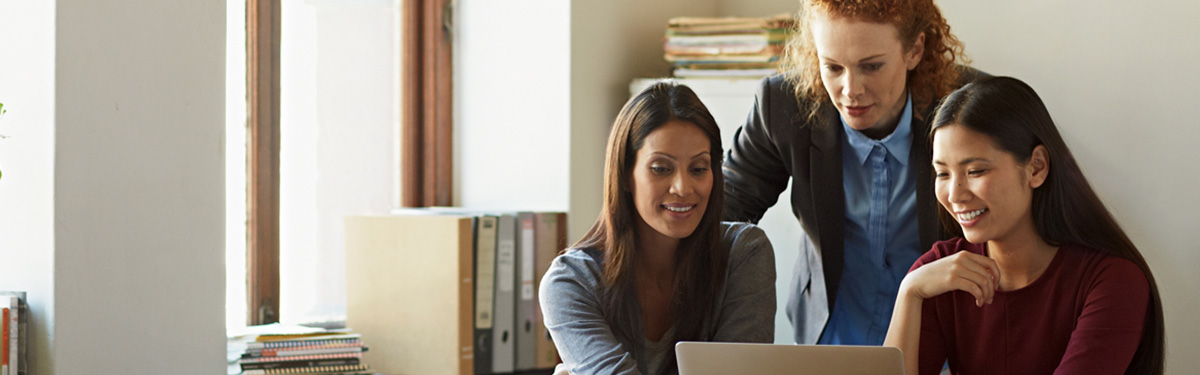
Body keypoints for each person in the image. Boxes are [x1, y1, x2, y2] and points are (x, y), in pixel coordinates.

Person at [723, 0, 984, 345]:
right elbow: (726, 210)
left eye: (871, 66)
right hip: (831, 333)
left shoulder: (971, 105)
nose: (850, 90)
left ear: (915, 50)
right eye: (832, 67)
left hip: (943, 335)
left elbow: (1027, 221)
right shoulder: (782, 106)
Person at [883, 76, 1165, 375]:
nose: (954, 195)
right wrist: (909, 292)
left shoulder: (1113, 281)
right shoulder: (937, 274)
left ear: (1037, 167)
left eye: (976, 170)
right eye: (942, 174)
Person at [539, 82, 776, 375]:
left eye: (699, 169)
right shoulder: (570, 283)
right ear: (625, 174)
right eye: (661, 168)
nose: (683, 187)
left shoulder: (745, 254)